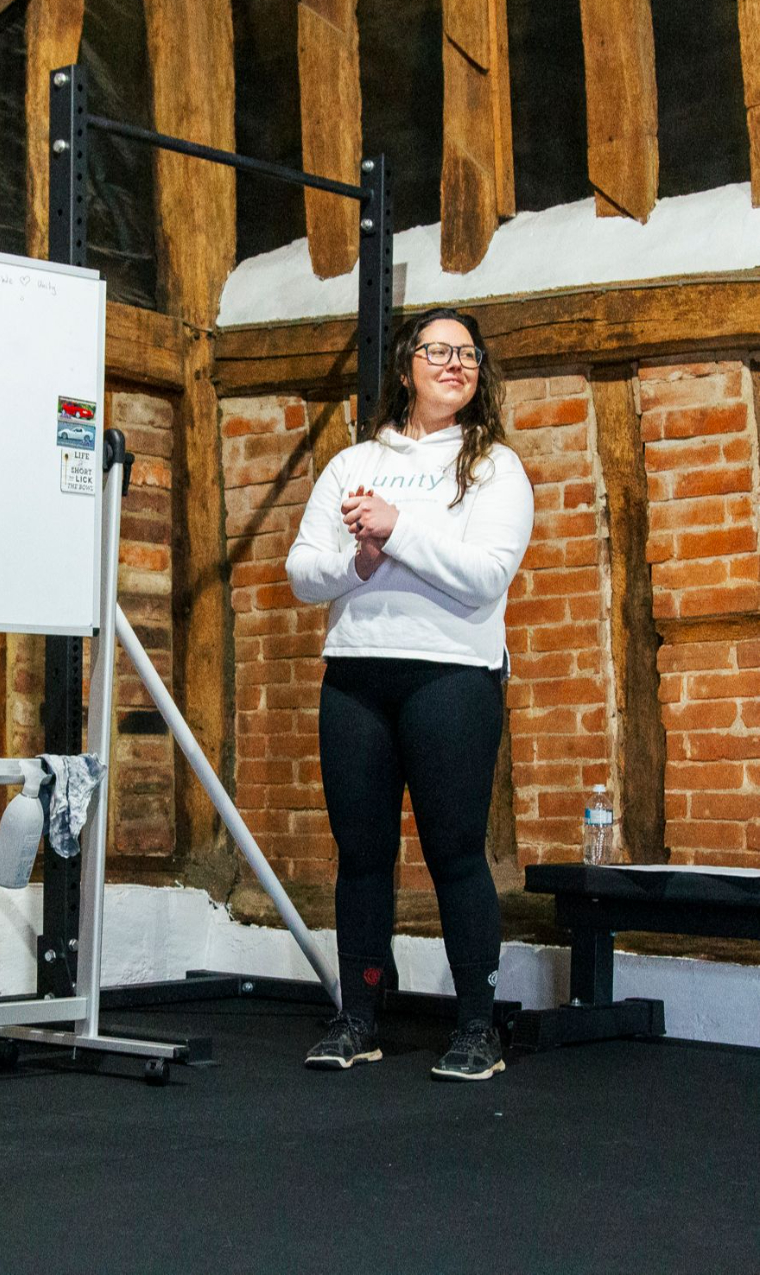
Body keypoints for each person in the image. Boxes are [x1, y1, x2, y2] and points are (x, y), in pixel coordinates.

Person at [285, 308, 533, 1081]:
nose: (455, 363)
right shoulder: (352, 462)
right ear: (405, 368)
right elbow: (302, 573)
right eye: (438, 350)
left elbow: (485, 575)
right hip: (356, 675)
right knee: (361, 857)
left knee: (455, 853)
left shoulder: (495, 468)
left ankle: (478, 1029)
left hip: (451, 677)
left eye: (468, 353)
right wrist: (357, 566)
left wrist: (396, 531)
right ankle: (358, 1018)